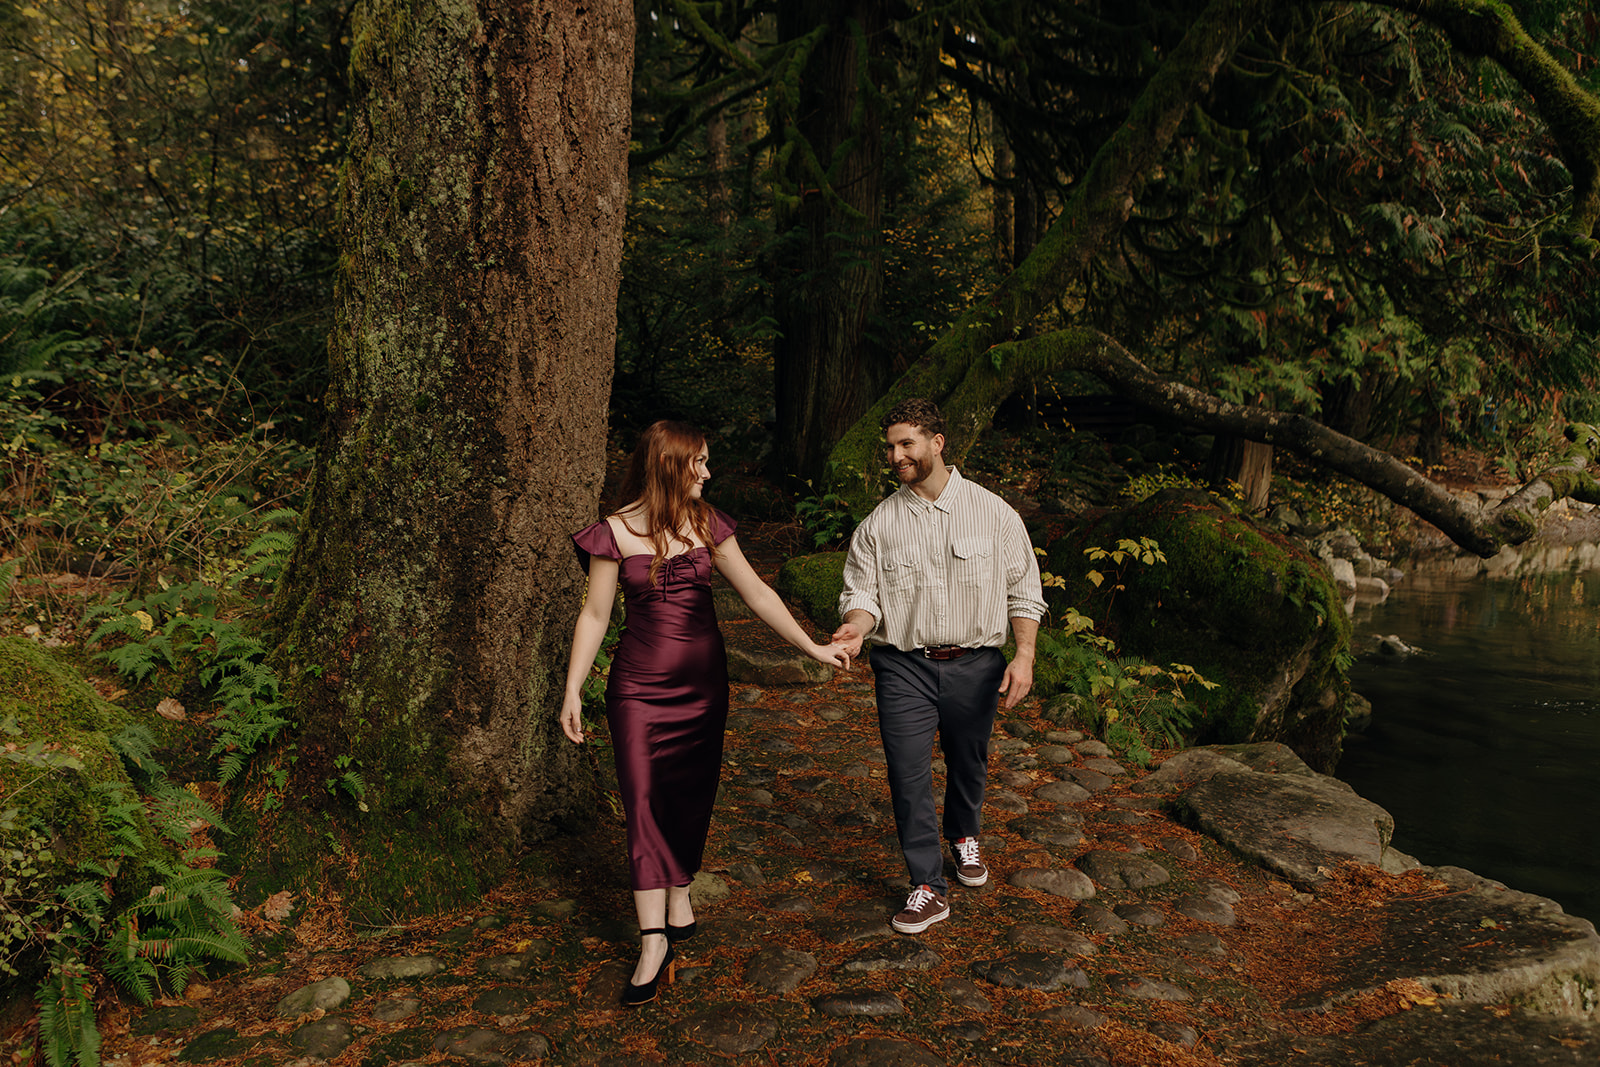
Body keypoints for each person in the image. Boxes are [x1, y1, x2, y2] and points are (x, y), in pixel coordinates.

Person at [560, 420, 851, 1006]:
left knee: (691, 795)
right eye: (701, 464)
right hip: (638, 689)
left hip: (703, 689)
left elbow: (759, 593)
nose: (710, 473)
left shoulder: (707, 525)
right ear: (671, 465)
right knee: (642, 802)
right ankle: (652, 941)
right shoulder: (613, 533)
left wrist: (814, 647)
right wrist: (572, 688)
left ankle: (679, 887)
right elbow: (594, 615)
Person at [830, 397, 1046, 934]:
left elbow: (1024, 590)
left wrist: (1024, 655)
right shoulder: (877, 525)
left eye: (907, 443)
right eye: (890, 447)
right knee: (907, 774)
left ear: (937, 443)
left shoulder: (995, 513)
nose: (896, 455)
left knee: (968, 761)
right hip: (903, 667)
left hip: (977, 664)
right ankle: (927, 885)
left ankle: (964, 834)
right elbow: (862, 594)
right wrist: (857, 627)